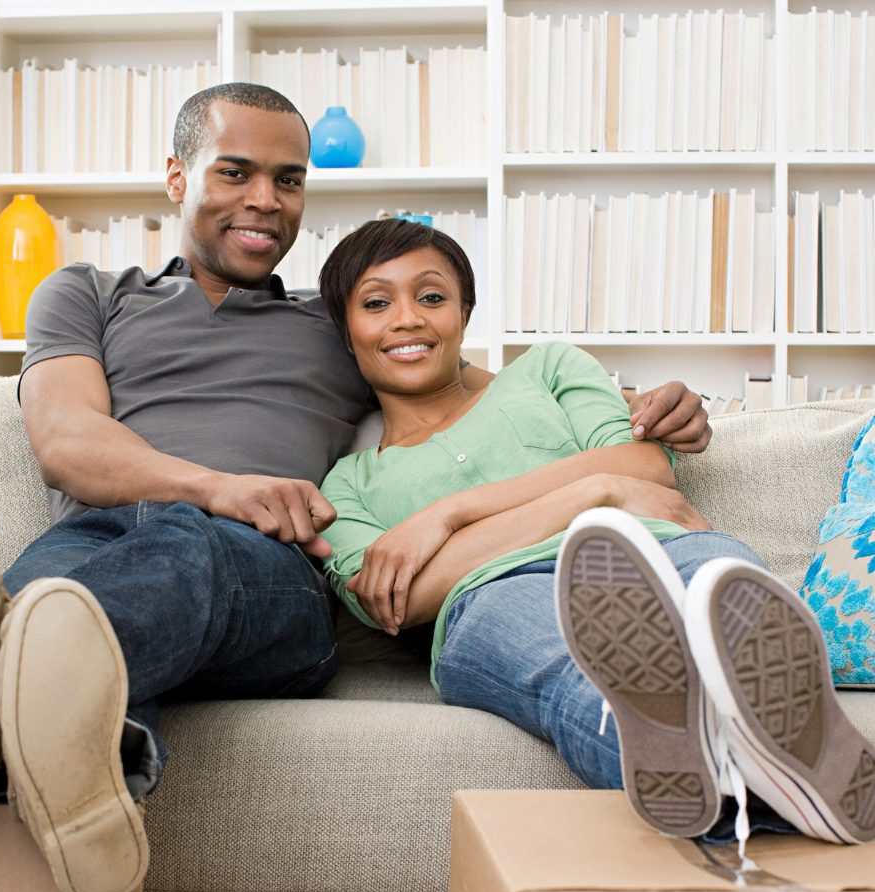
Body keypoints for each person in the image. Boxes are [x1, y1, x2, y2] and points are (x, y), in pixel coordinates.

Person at [0, 84, 716, 892]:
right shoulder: (87, 294)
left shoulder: (332, 323)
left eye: (288, 180)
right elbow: (67, 443)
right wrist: (219, 487)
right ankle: (82, 773)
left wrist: (641, 411)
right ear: (177, 177)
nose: (265, 200)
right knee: (65, 589)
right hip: (102, 534)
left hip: (268, 569)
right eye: (236, 172)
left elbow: (458, 386)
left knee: (171, 557)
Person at [317, 217, 875, 846]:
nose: (408, 318)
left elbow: (642, 465)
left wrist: (445, 518)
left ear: (464, 313)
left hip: (657, 543)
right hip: (497, 594)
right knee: (592, 681)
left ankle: (777, 739)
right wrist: (591, 490)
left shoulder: (549, 369)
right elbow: (396, 601)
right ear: (345, 329)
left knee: (727, 593)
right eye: (376, 302)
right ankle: (758, 787)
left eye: (432, 296)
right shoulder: (347, 484)